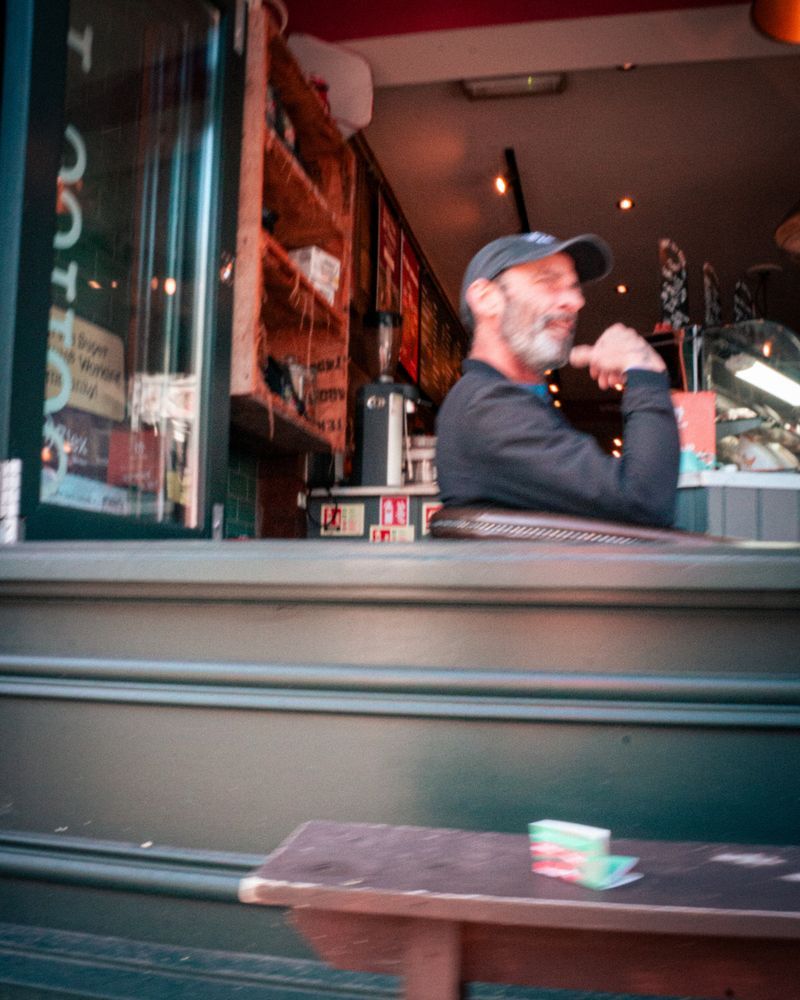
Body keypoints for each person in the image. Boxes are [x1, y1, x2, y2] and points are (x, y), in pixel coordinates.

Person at [435, 231, 680, 527]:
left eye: (575, 288)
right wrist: (645, 374)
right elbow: (642, 499)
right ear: (487, 300)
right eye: (548, 281)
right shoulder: (486, 407)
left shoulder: (502, 400)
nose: (576, 302)